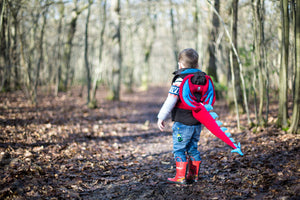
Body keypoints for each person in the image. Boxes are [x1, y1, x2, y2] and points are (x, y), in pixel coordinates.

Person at [157, 48, 206, 184]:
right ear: (197, 64)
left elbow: (171, 100)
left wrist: (161, 116)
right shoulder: (202, 79)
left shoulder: (180, 80)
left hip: (182, 125)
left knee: (179, 148)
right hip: (197, 123)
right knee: (192, 148)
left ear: (180, 65)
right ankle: (193, 175)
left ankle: (180, 176)